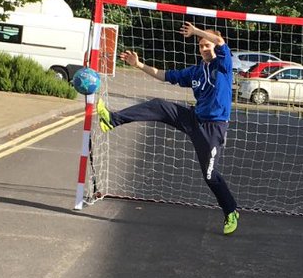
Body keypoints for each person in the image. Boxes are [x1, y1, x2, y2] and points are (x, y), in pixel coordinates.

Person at [96, 22, 240, 234]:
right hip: (194, 118)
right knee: (158, 105)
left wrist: (196, 32)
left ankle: (230, 211)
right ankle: (112, 119)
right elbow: (165, 75)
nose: (203, 48)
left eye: (206, 45)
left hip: (213, 128)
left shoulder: (224, 65)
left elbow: (219, 41)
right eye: (200, 46)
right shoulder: (196, 71)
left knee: (210, 176)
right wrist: (138, 65)